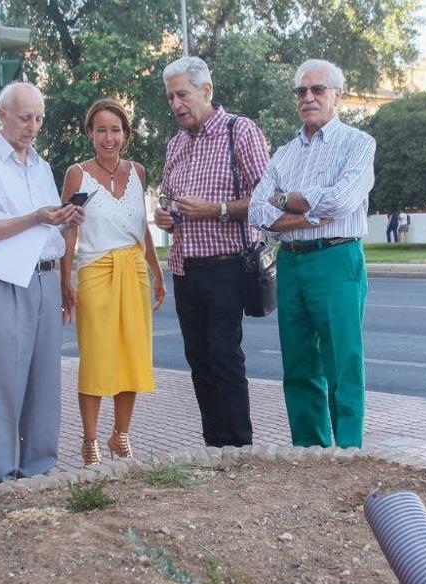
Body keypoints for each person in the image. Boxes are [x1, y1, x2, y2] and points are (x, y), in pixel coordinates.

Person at [0, 82, 84, 484]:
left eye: (39, 118)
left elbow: (47, 227)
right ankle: (3, 474)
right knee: (6, 382)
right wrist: (36, 217)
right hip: (6, 279)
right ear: (2, 115)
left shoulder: (41, 165)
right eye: (25, 117)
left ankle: (39, 469)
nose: (33, 126)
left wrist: (66, 220)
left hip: (45, 278)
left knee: (46, 380)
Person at [248, 59, 376, 449]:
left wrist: (286, 202)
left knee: (343, 361)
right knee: (299, 365)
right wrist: (306, 214)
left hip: (337, 260)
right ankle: (309, 452)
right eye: (301, 91)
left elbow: (342, 200)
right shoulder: (285, 153)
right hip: (292, 263)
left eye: (317, 90)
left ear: (337, 96)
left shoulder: (357, 144)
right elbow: (258, 211)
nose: (308, 97)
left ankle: (349, 451)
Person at [154, 56, 270, 448]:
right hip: (186, 269)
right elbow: (171, 200)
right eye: (171, 97)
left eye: (183, 94)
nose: (176, 104)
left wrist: (215, 210)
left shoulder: (240, 131)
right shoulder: (175, 145)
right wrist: (166, 218)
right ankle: (214, 448)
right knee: (199, 362)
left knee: (223, 358)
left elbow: (265, 198)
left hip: (226, 267)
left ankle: (239, 449)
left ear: (206, 91)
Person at [59, 99, 166, 465]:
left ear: (126, 134)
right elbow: (68, 230)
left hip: (133, 270)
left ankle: (120, 436)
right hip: (96, 272)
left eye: (115, 130)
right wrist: (65, 280)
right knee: (97, 358)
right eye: (101, 130)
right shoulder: (77, 174)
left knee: (131, 357)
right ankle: (89, 440)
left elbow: (142, 229)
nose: (109, 138)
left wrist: (156, 271)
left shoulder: (137, 171)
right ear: (90, 133)